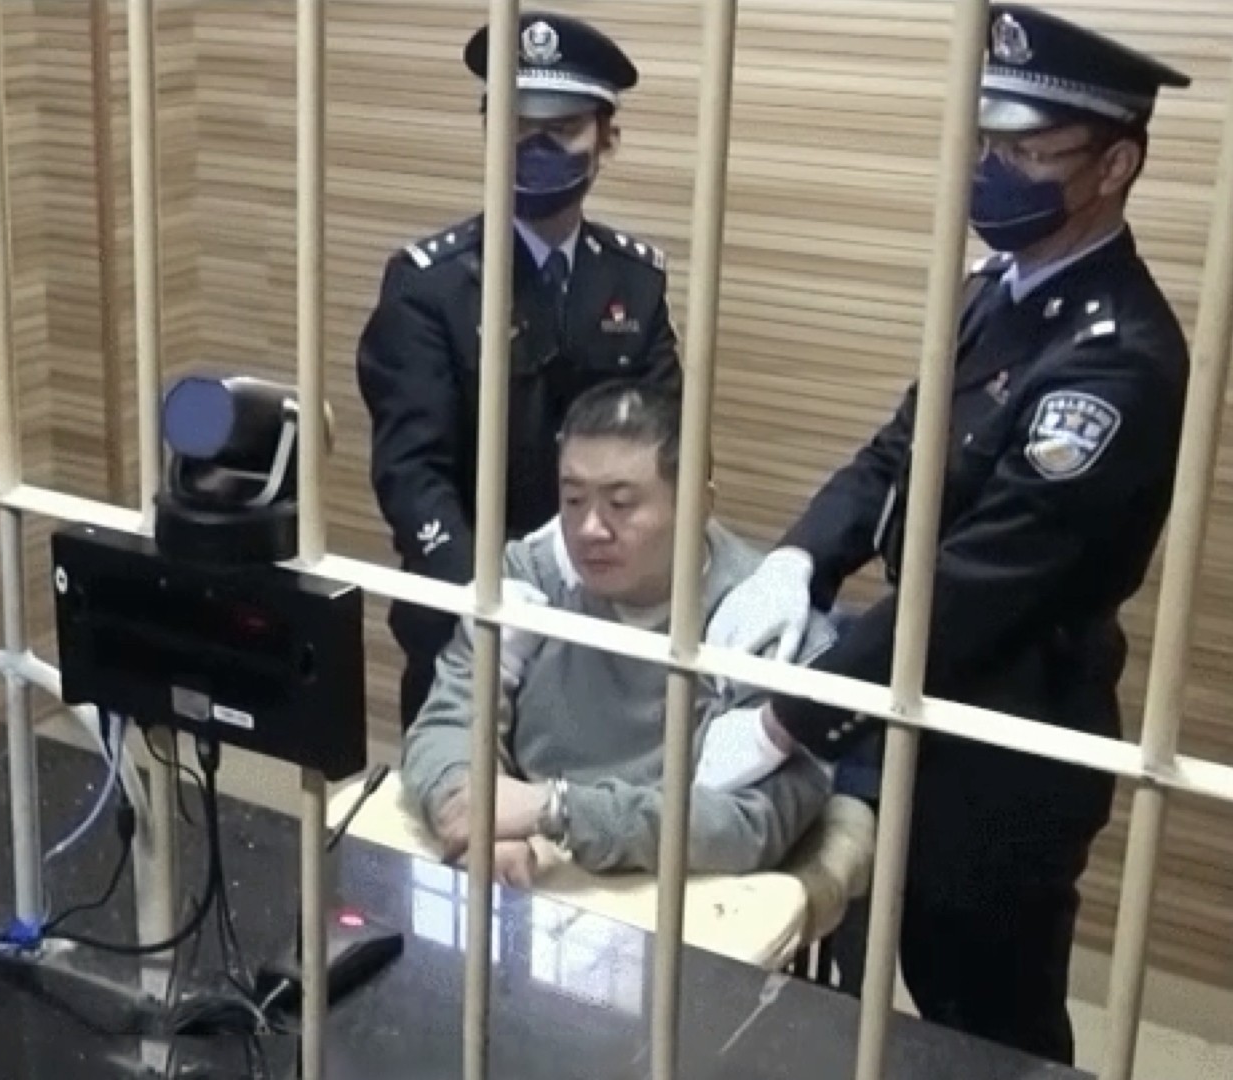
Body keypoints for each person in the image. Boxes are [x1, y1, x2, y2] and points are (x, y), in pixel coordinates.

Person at [705, 5, 1191, 1064]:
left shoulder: (1116, 358)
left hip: (1008, 745)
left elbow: (981, 584)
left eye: (1027, 151)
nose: (993, 171)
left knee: (990, 1019)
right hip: (918, 706)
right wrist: (800, 558)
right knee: (908, 975)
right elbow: (901, 448)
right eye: (986, 143)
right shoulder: (997, 293)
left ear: (1115, 164)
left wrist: (790, 718)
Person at [357, 11, 681, 733]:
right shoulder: (430, 287)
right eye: (516, 127)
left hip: (606, 611)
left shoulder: (634, 281)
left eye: (560, 129)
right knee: (456, 793)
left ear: (607, 139)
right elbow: (412, 474)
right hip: (467, 616)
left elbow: (665, 448)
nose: (535, 148)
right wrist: (487, 595)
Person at [400, 381, 832, 887]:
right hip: (528, 867)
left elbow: (751, 822)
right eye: (573, 499)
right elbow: (446, 720)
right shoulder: (534, 574)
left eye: (621, 503)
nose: (590, 529)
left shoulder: (765, 619)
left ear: (698, 503)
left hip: (678, 891)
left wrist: (557, 810)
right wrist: (475, 810)